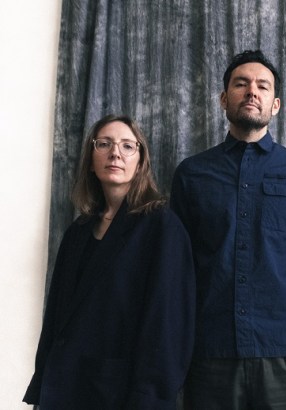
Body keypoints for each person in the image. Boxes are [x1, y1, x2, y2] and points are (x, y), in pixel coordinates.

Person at [170, 49, 286, 409]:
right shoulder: (192, 174)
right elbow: (177, 272)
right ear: (224, 98)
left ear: (275, 105)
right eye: (241, 84)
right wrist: (176, 347)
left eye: (263, 86)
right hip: (211, 355)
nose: (252, 91)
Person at [23, 114, 196, 409]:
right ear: (91, 161)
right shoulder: (77, 231)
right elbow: (55, 319)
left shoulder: (162, 227)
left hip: (121, 395)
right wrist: (42, 384)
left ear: (140, 162)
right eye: (104, 144)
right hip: (65, 389)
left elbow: (167, 327)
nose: (115, 153)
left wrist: (149, 399)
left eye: (128, 146)